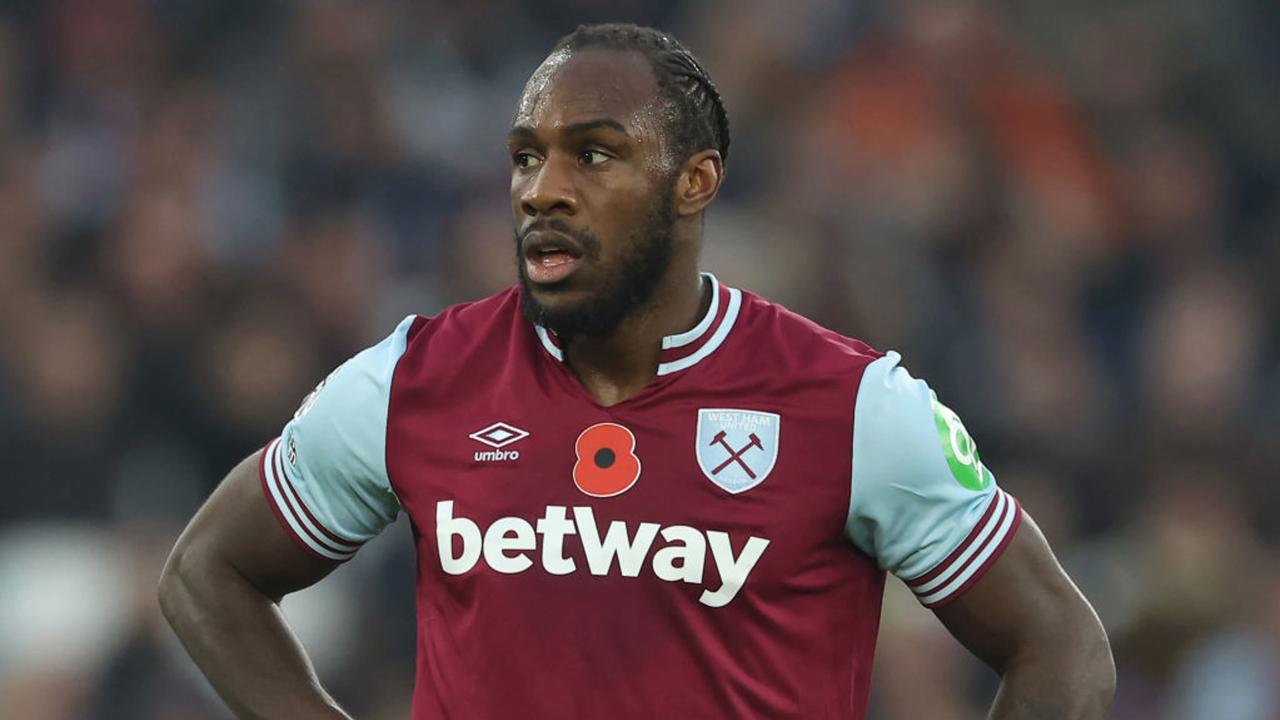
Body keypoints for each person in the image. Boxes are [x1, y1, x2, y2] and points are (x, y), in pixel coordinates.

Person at [158, 23, 1115, 719]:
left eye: (595, 154)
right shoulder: (412, 381)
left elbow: (1062, 644)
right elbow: (209, 573)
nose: (543, 189)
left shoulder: (853, 407)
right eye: (527, 157)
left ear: (694, 180)